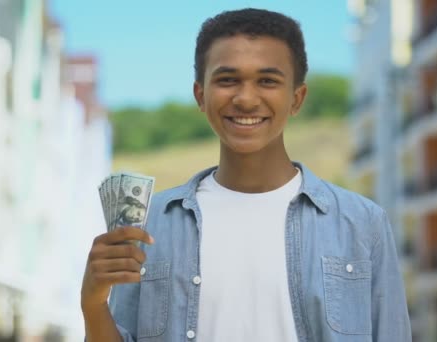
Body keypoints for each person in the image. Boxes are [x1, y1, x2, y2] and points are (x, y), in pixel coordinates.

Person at [81, 8, 412, 342]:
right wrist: (93, 305)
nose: (246, 99)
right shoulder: (150, 226)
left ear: (297, 98)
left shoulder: (362, 223)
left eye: (267, 81)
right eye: (227, 80)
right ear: (201, 95)